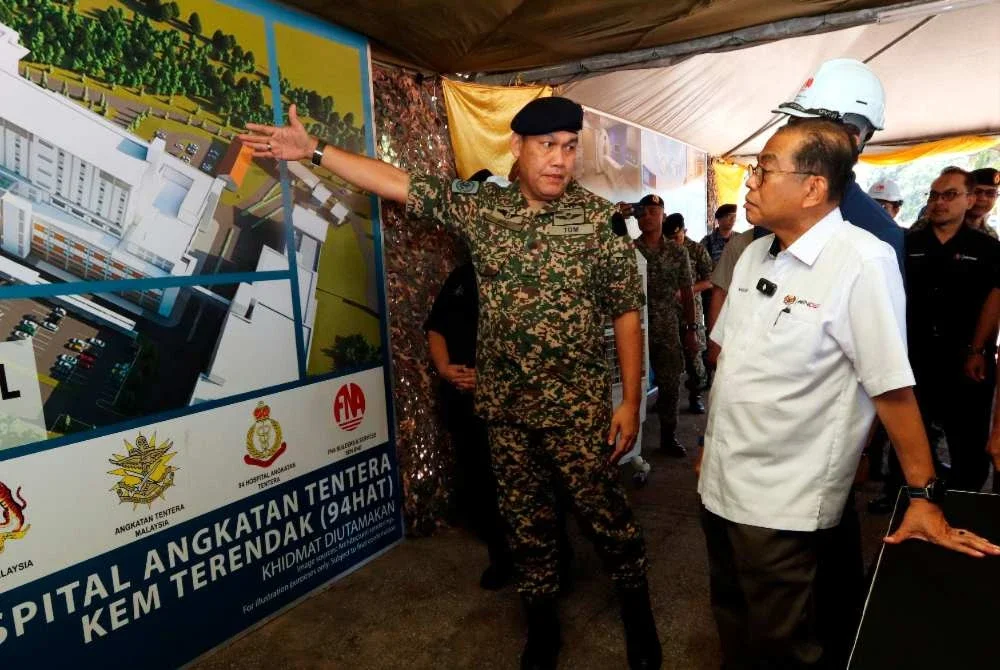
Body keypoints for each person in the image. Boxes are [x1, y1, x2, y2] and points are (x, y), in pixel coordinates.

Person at [240, 97, 662, 670]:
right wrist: (313, 150)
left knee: (607, 519)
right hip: (506, 412)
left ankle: (639, 622)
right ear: (517, 148)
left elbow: (625, 315)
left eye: (569, 147)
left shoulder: (598, 222)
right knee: (525, 524)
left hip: (577, 413)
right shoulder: (482, 208)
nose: (560, 161)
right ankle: (542, 632)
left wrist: (631, 400)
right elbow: (396, 182)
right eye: (547, 147)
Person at [699, 119, 999, 669]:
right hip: (721, 485)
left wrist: (923, 497)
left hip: (783, 501)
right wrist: (709, 452)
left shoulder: (861, 260)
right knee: (731, 615)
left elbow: (891, 389)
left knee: (783, 643)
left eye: (764, 169)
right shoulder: (753, 256)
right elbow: (733, 368)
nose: (750, 182)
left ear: (813, 186)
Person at [870, 167, 1000, 514]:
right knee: (909, 431)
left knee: (967, 440)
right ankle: (902, 499)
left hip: (966, 359)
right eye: (933, 195)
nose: (938, 202)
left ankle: (965, 506)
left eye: (949, 195)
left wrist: (977, 348)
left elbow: (994, 298)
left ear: (970, 199)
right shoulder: (908, 243)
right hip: (915, 357)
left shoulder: (987, 248)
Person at [425, 261, 513, 589]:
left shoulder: (525, 271)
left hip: (512, 404)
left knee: (527, 484)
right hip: (465, 401)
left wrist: (491, 379)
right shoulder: (463, 275)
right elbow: (436, 327)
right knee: (480, 480)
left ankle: (553, 561)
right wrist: (445, 369)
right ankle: (501, 556)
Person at [773, 58, 904, 272]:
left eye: (809, 129)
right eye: (794, 124)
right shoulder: (777, 212)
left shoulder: (878, 235)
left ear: (852, 140)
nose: (793, 139)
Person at [633, 195, 698, 457]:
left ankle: (668, 437)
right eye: (642, 212)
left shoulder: (677, 252)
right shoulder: (628, 249)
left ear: (663, 214)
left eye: (653, 211)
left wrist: (692, 330)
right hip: (635, 328)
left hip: (667, 328)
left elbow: (687, 292)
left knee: (670, 385)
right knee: (632, 384)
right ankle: (630, 440)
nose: (647, 217)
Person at [667, 212, 712, 413]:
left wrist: (687, 291)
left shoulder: (697, 250)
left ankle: (695, 396)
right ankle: (666, 400)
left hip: (690, 311)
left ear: (685, 231)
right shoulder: (664, 249)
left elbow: (710, 280)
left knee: (694, 357)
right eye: (670, 238)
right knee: (669, 358)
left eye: (677, 237)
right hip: (666, 314)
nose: (674, 242)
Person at [967, 167, 999, 236]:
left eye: (990, 193)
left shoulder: (992, 235)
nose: (982, 198)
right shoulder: (946, 229)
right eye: (976, 192)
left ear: (996, 197)